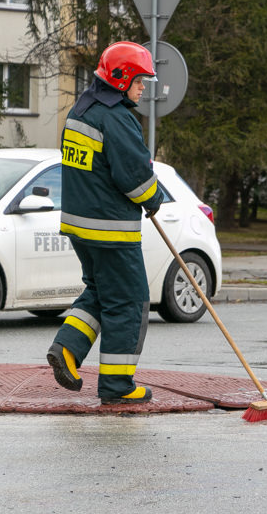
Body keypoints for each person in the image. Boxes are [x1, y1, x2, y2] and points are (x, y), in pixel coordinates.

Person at [47, 41, 164, 404]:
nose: (143, 88)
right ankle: (117, 387)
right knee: (130, 301)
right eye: (140, 80)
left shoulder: (83, 109)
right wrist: (155, 200)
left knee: (101, 293)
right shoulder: (116, 117)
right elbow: (135, 177)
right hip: (111, 229)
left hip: (80, 226)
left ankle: (66, 349)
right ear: (122, 78)